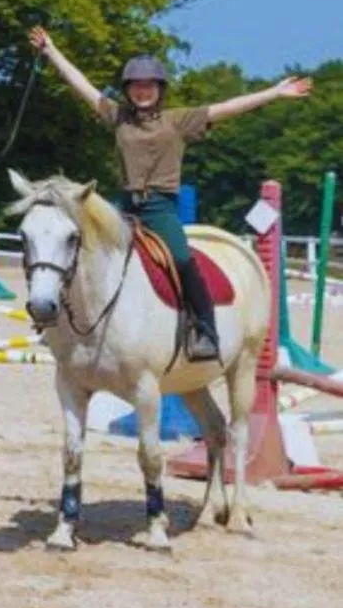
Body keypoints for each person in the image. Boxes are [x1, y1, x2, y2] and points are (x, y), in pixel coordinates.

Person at [29, 27, 313, 361]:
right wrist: (51, 50)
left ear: (159, 89)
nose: (142, 91)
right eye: (136, 86)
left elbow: (227, 107)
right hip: (123, 205)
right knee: (81, 252)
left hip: (160, 207)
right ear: (128, 90)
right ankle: (56, 324)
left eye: (149, 86)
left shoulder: (179, 121)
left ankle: (206, 330)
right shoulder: (117, 116)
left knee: (181, 259)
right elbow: (83, 88)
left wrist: (274, 93)